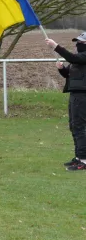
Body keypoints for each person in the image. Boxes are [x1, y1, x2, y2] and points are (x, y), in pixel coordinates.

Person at [45, 32, 86, 171]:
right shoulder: (78, 59)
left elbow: (73, 57)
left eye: (81, 42)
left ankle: (84, 160)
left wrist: (55, 46)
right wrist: (62, 69)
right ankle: (79, 157)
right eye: (77, 42)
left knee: (80, 127)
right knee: (74, 126)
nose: (78, 44)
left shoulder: (82, 57)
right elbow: (68, 74)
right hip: (74, 94)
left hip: (82, 96)